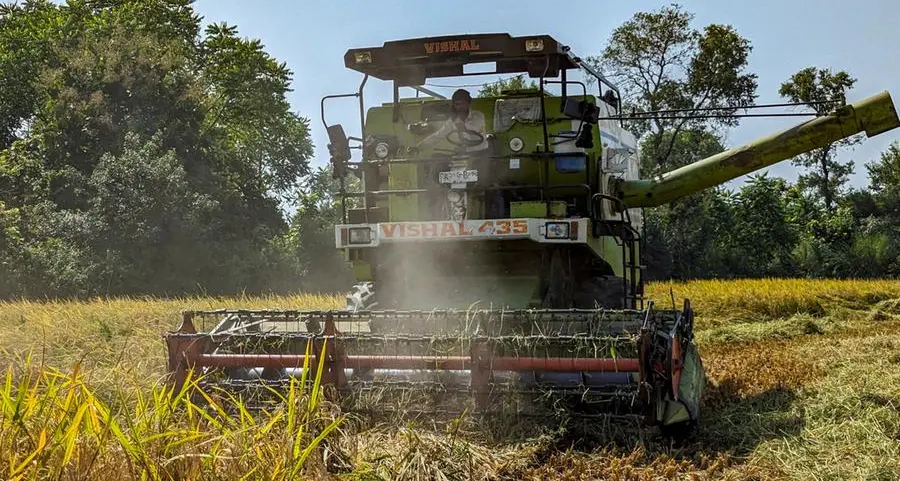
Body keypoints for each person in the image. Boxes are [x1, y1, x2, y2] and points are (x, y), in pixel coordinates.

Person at [415, 88, 489, 152]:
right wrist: (418, 147)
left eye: (462, 103)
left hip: (481, 153)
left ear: (468, 103)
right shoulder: (453, 120)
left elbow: (474, 136)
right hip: (464, 155)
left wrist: (460, 127)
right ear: (454, 105)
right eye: (457, 104)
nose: (460, 107)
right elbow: (437, 136)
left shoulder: (478, 116)